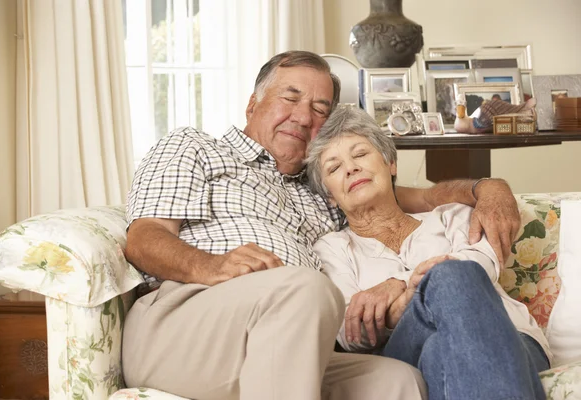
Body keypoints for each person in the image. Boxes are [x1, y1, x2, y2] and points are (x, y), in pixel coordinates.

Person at [123, 50, 520, 400]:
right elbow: (144, 239)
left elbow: (414, 197)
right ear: (252, 104)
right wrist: (210, 266)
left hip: (290, 338)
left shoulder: (324, 189)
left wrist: (489, 187)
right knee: (306, 287)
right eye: (290, 98)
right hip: (187, 327)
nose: (302, 116)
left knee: (397, 379)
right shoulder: (195, 147)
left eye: (319, 109)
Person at [306, 106, 551, 400]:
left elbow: (483, 264)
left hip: (511, 338)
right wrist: (403, 307)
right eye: (334, 168)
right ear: (331, 196)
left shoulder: (451, 216)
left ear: (390, 163)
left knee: (440, 346)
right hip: (403, 349)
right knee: (448, 277)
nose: (351, 168)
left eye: (360, 154)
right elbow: (349, 333)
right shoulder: (332, 249)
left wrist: (400, 285)